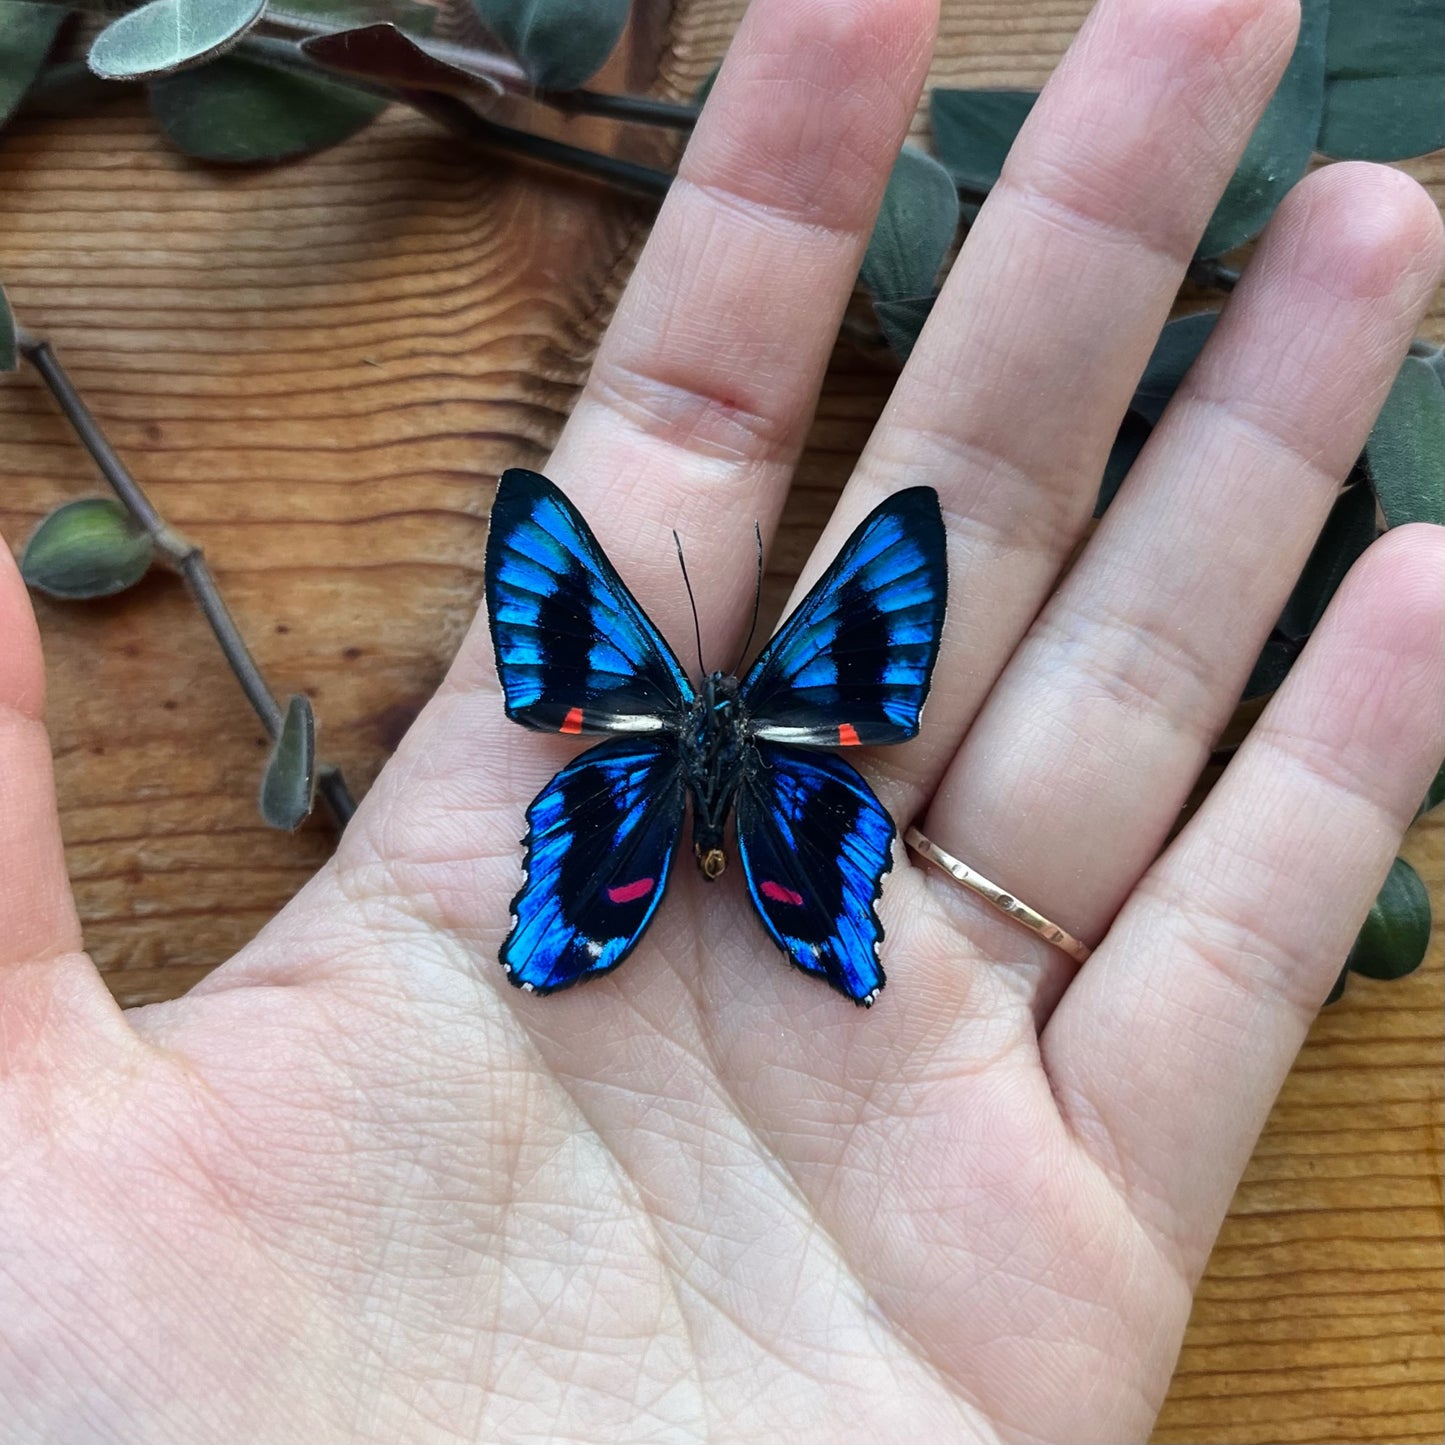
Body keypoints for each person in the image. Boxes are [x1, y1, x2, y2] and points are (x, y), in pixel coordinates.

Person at [2, 0, 1440, 1438]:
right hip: (796, 798)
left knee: (659, 872)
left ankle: (695, 921)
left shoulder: (611, 674)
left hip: (636, 784)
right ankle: (753, 922)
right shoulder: (807, 689)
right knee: (758, 884)